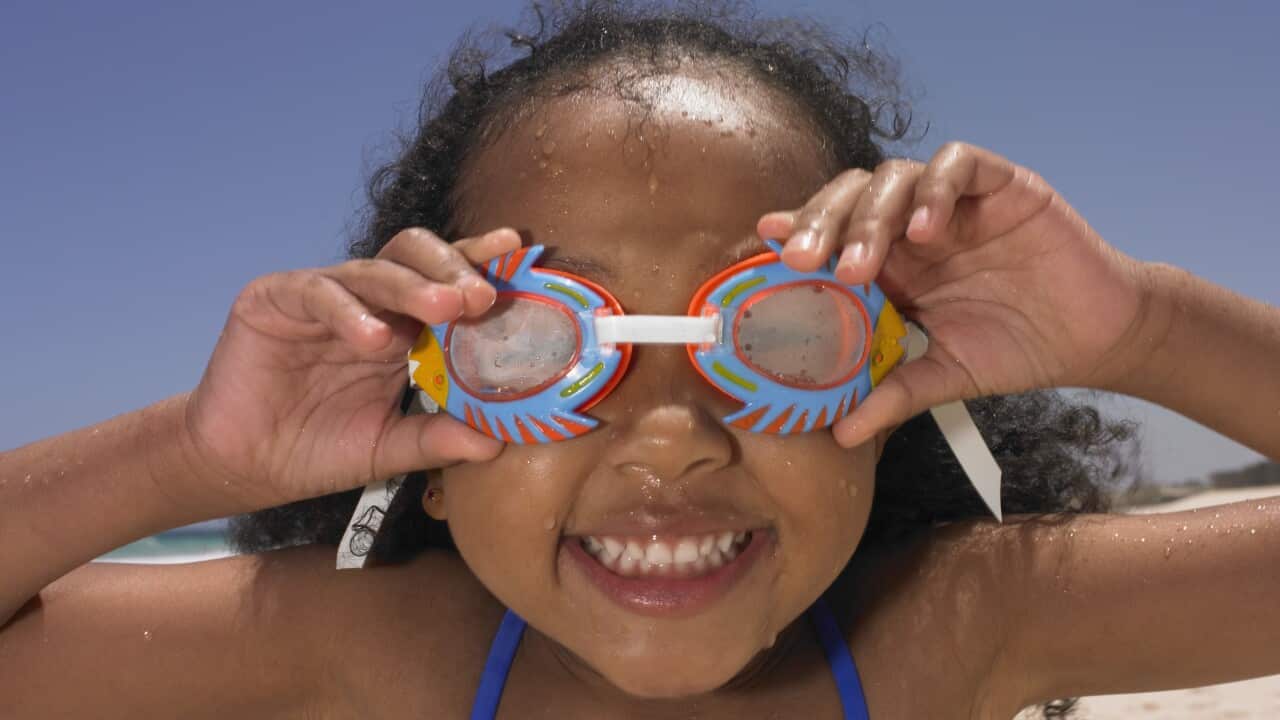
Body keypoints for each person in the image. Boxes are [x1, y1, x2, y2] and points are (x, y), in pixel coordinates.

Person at [3, 3, 1278, 718]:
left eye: (772, 335)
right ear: (427, 427)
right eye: (532, 344)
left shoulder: (959, 626)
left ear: (886, 400)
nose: (669, 435)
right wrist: (195, 453)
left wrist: (1139, 326)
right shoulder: (383, 651)